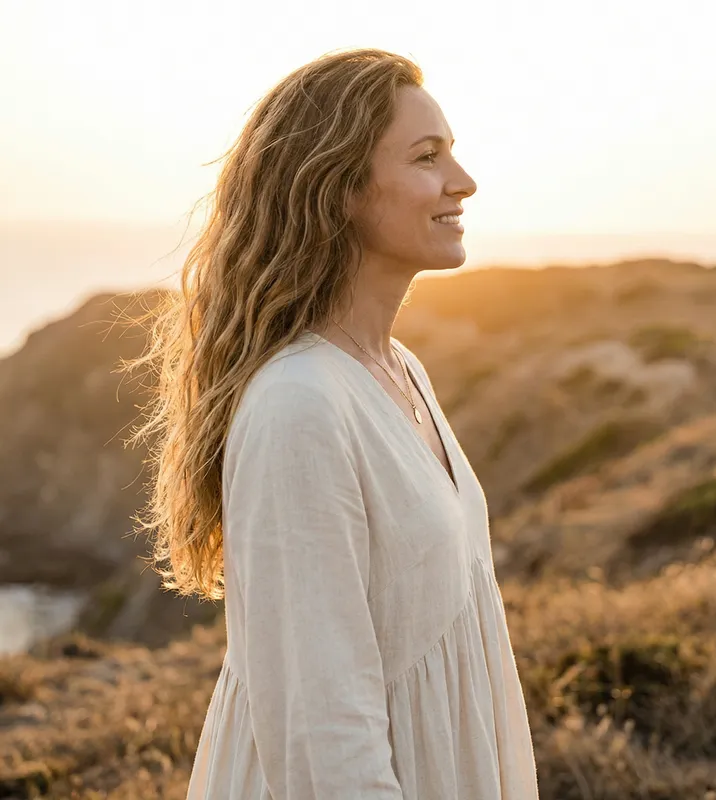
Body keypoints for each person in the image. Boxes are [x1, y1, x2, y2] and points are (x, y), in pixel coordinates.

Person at [130, 46, 539, 799]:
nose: (464, 181)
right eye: (428, 157)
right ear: (340, 187)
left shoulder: (400, 370)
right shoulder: (299, 405)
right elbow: (322, 735)